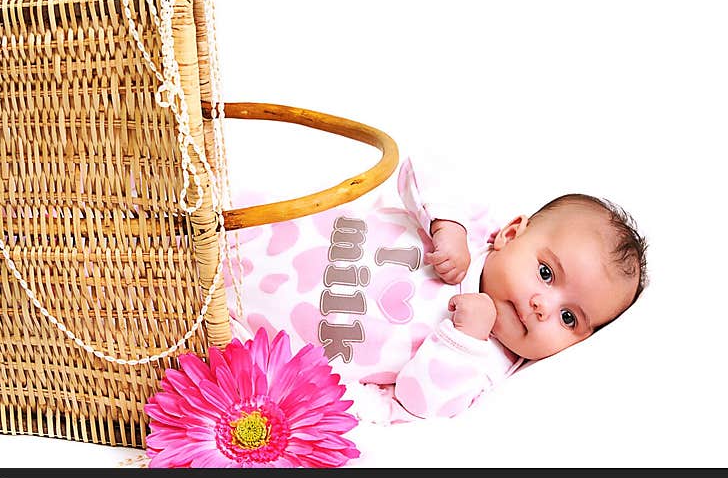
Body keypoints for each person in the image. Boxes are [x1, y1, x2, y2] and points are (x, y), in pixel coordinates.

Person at [226, 157, 648, 423]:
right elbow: (420, 169)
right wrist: (448, 226)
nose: (543, 306)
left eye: (569, 318)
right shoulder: (473, 229)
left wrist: (462, 338)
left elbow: (418, 401)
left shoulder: (484, 362)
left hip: (249, 327)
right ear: (512, 233)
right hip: (263, 232)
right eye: (545, 272)